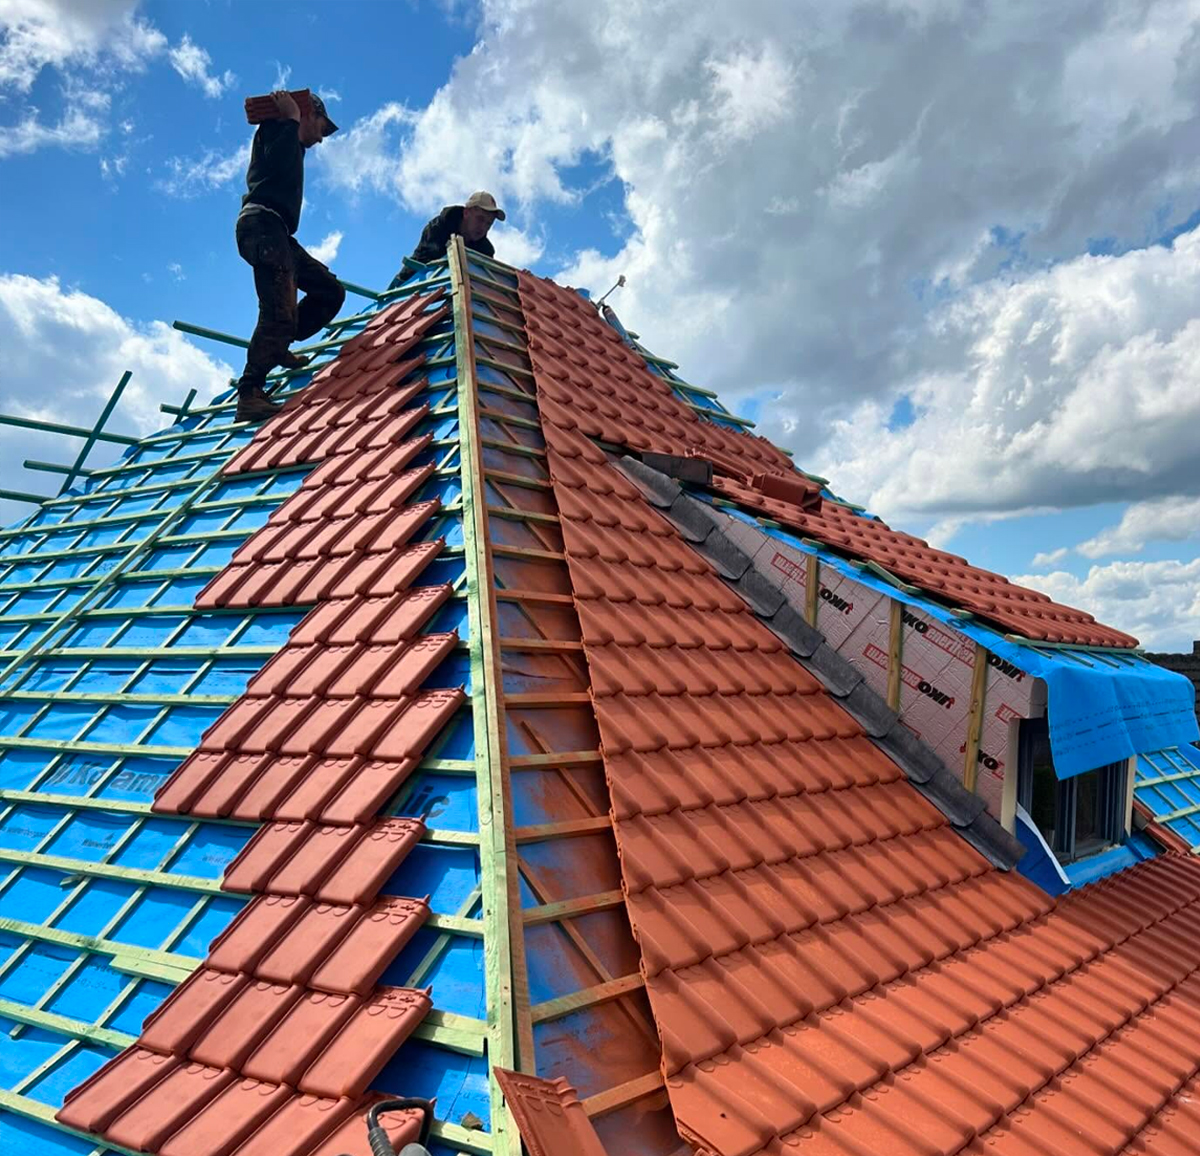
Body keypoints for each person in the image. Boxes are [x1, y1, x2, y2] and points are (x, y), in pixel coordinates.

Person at [234, 90, 345, 422]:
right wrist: (291, 117)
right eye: (322, 129)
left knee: (330, 292)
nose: (322, 139)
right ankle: (250, 393)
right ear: (309, 114)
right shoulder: (275, 133)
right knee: (277, 311)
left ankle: (278, 344)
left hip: (278, 231)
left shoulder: (292, 144)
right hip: (261, 225)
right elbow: (277, 161)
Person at [408, 191, 505, 267]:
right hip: (410, 282)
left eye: (489, 223)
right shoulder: (437, 228)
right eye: (480, 219)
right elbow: (425, 265)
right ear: (466, 213)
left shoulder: (486, 251)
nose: (484, 227)